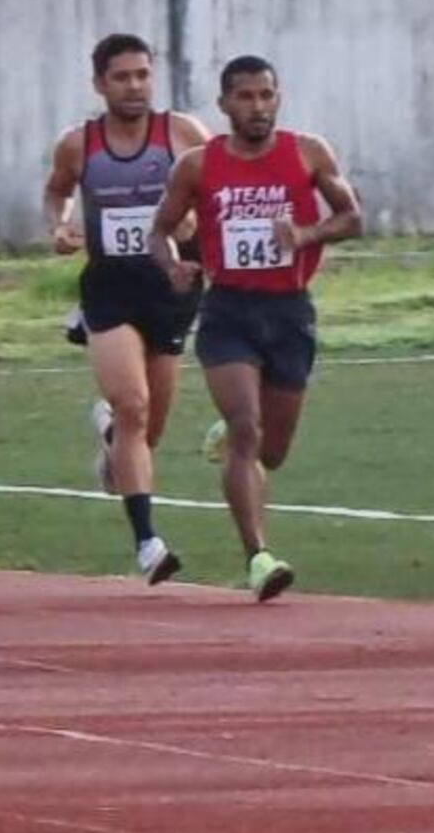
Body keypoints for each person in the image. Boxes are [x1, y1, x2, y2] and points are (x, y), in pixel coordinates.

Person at [149, 54, 361, 602]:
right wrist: (173, 265)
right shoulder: (198, 165)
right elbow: (160, 231)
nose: (258, 107)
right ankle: (258, 556)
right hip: (229, 312)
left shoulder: (307, 152)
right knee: (247, 429)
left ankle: (233, 435)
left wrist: (308, 235)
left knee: (273, 451)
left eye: (267, 95)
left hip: (289, 313)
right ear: (224, 105)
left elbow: (352, 217)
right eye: (246, 97)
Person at [43, 33, 211, 585]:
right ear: (100, 84)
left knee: (147, 429)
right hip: (110, 289)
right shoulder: (79, 144)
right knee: (135, 405)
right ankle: (148, 543)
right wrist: (60, 225)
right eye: (122, 77)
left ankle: (112, 438)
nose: (135, 86)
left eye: (143, 75)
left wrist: (191, 224)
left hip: (170, 288)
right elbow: (57, 191)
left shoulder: (181, 134)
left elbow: (220, 192)